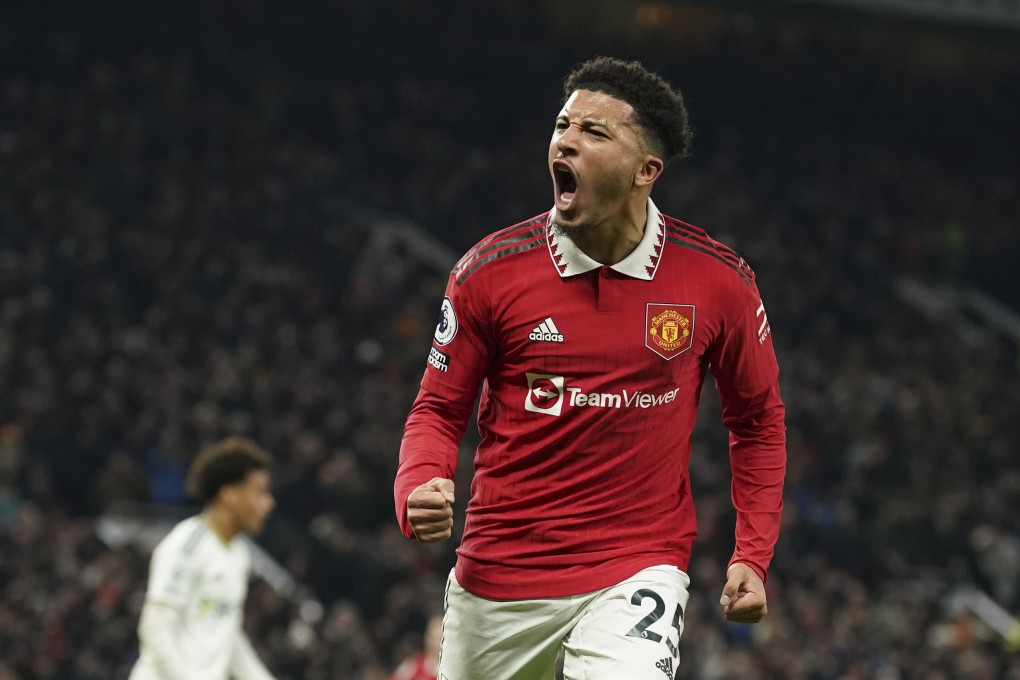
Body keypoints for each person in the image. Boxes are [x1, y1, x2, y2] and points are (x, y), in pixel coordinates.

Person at [394, 56, 787, 679]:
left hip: (638, 568)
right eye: (562, 126)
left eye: (594, 132)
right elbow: (438, 408)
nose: (566, 141)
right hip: (500, 575)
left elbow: (759, 421)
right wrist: (418, 481)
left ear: (645, 170)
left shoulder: (717, 282)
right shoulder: (489, 273)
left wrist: (752, 553)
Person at [129, 436, 278, 680]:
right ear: (229, 494)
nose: (268, 504)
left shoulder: (239, 555)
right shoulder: (187, 545)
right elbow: (156, 628)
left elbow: (227, 634)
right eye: (260, 493)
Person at [388, 614, 443, 680]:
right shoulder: (413, 666)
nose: (435, 643)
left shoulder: (452, 669)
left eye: (439, 638)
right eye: (433, 637)